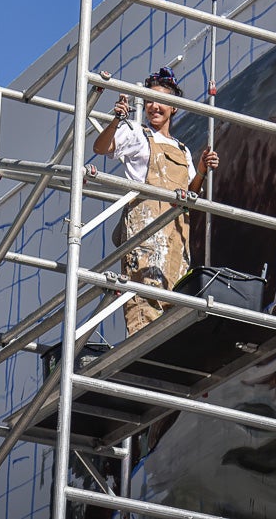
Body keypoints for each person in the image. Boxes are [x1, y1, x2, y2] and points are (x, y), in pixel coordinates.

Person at [92, 66, 219, 334]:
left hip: (176, 237)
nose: (153, 106)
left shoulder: (182, 149)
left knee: (173, 297)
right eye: (149, 100)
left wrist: (202, 169)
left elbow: (190, 192)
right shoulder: (137, 134)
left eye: (160, 100)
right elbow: (101, 148)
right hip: (146, 234)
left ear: (174, 107)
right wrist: (116, 120)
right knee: (145, 300)